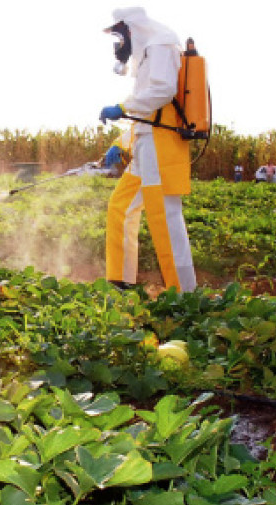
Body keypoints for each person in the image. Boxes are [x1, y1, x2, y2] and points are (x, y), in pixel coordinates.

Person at [99, 7, 197, 293]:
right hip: (146, 141)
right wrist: (121, 143)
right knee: (121, 206)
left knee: (164, 215)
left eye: (119, 34)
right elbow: (147, 112)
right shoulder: (147, 53)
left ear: (132, 28)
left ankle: (183, 293)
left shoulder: (161, 43)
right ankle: (121, 280)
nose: (119, 42)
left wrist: (122, 108)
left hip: (162, 145)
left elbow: (162, 91)